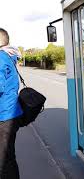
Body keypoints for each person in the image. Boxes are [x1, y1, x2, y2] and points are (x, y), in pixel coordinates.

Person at [0, 28, 23, 179]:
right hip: (10, 114)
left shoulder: (1, 57)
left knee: (3, 161)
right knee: (8, 157)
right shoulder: (9, 56)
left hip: (4, 115)